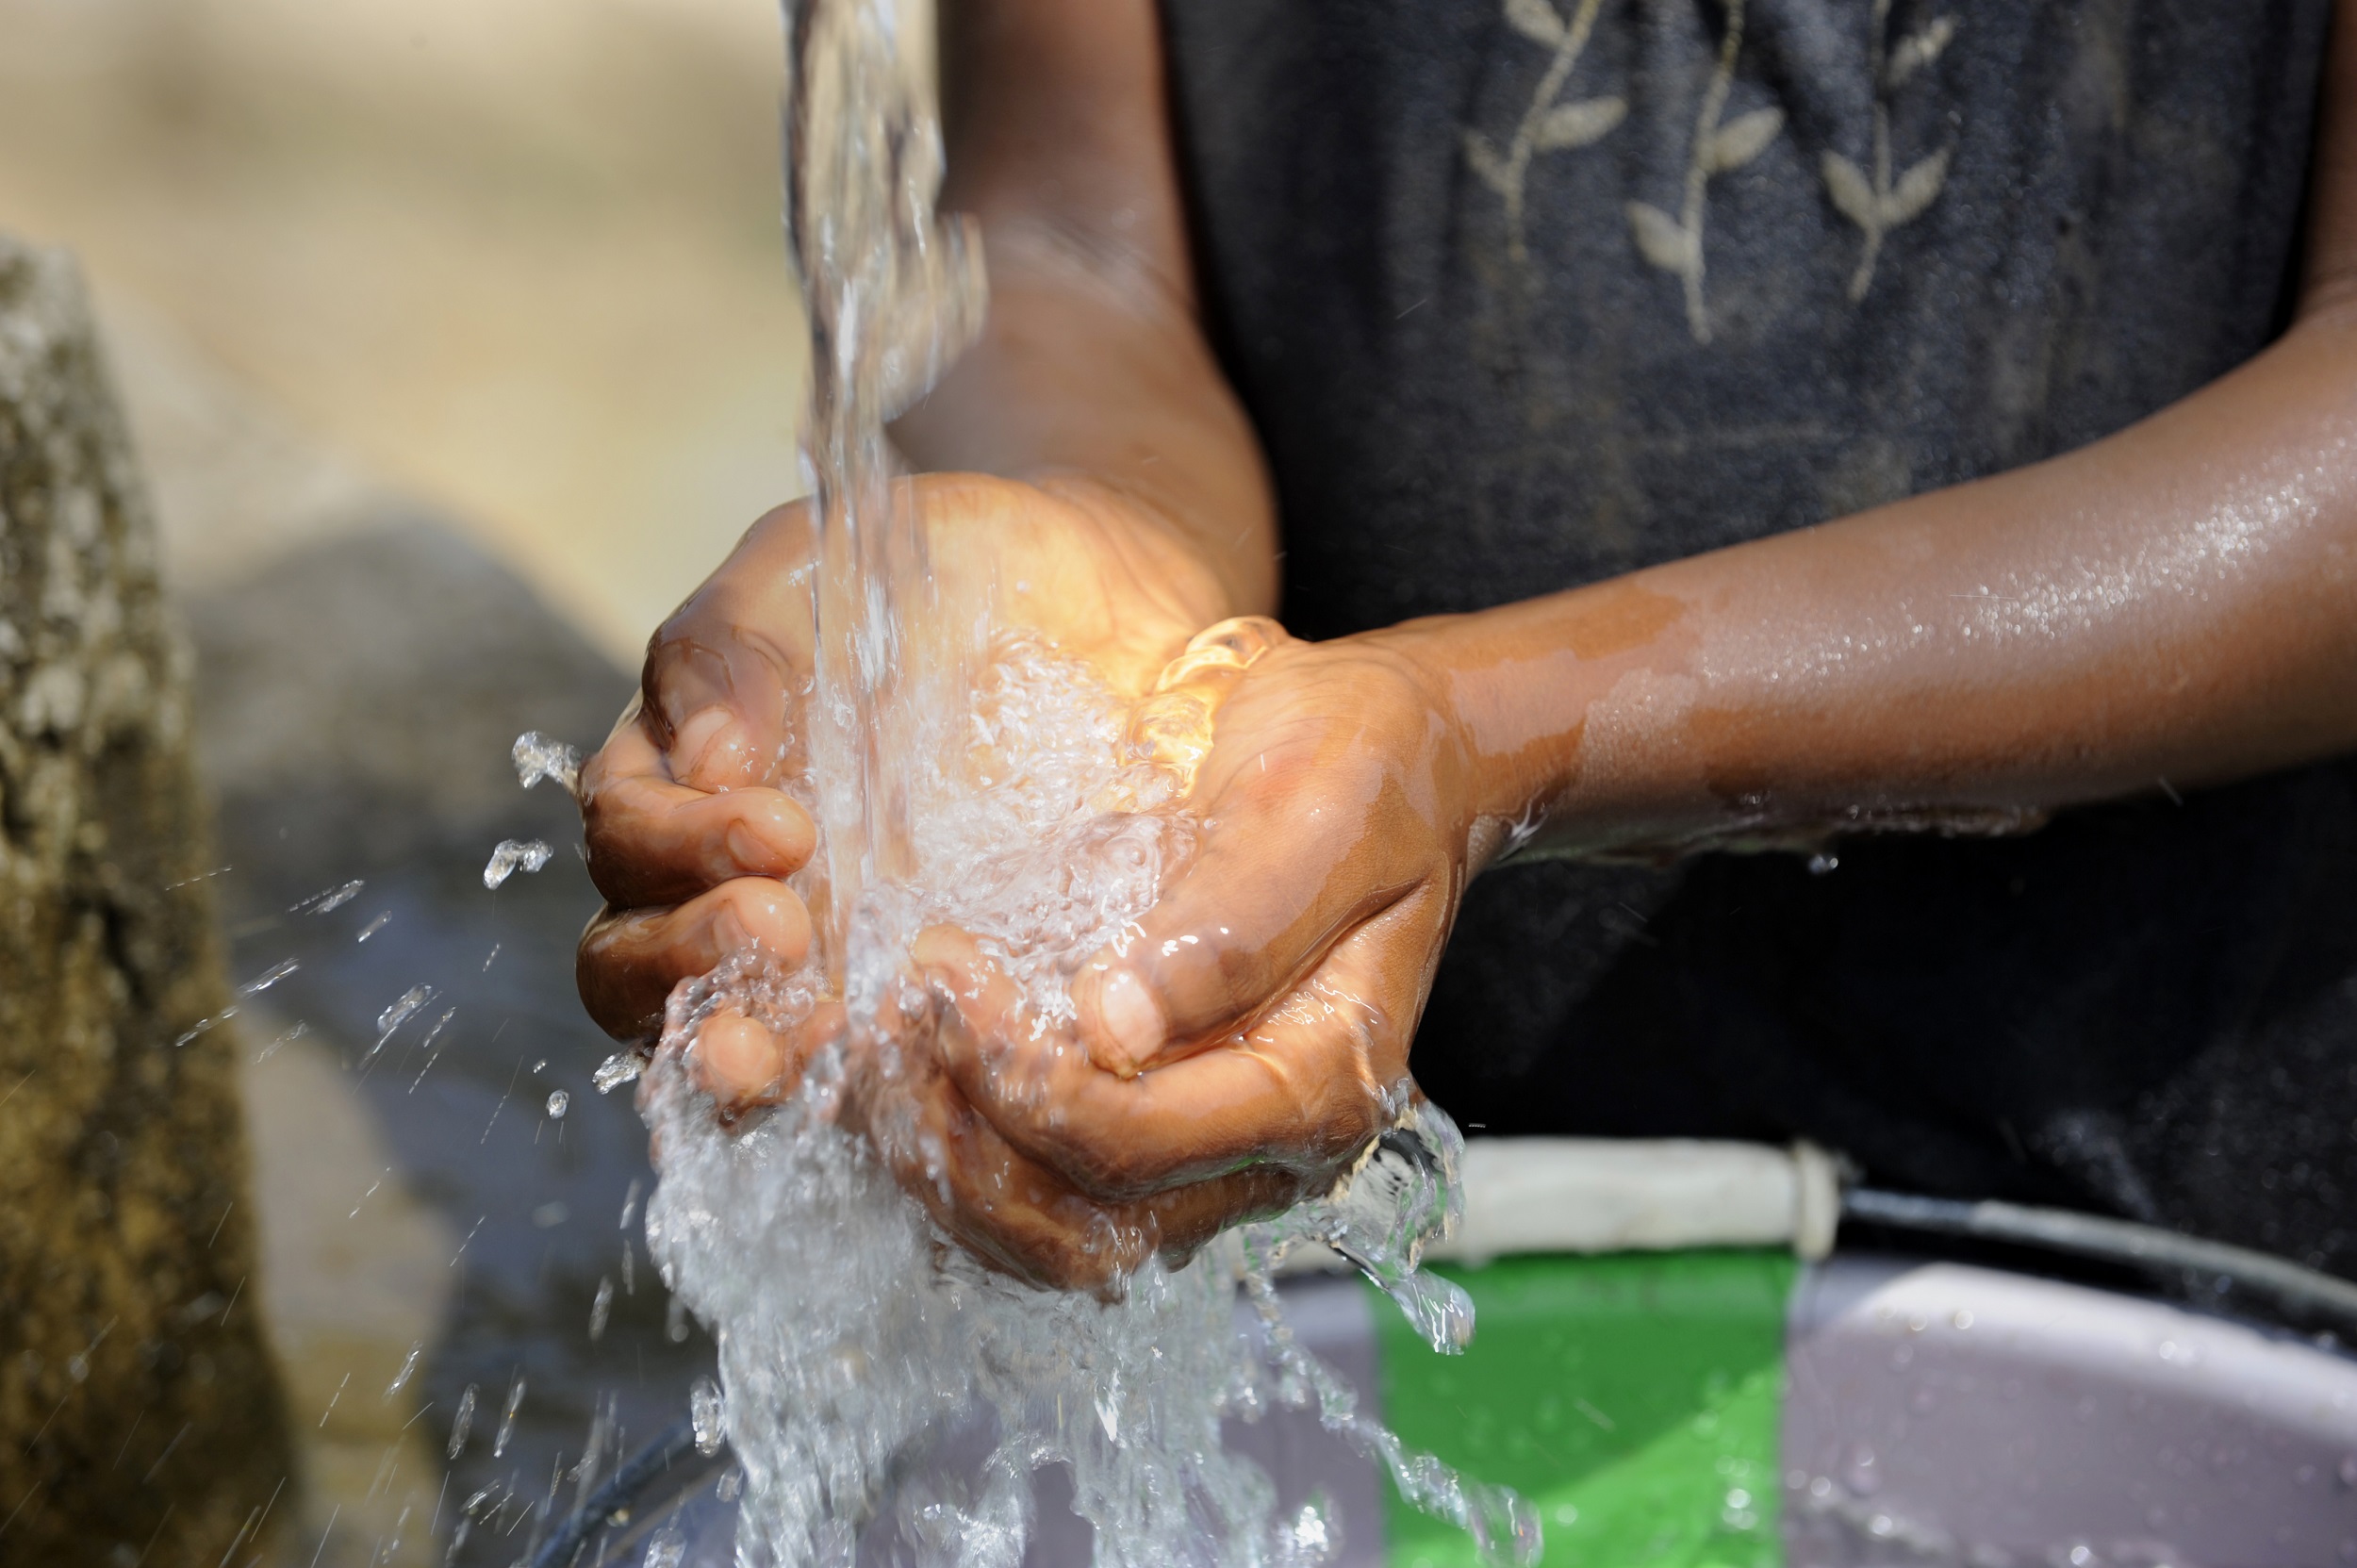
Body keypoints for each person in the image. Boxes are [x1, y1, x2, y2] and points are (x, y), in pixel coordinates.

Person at [576, 0, 2357, 1289]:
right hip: (1387, 1188)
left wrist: (1488, 731)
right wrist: (1090, 547)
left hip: (2174, 1199)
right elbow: (1069, 239)